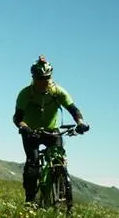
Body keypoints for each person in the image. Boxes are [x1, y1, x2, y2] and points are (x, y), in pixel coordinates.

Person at [13, 56, 89, 204]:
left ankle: (59, 193)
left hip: (52, 132)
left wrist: (80, 123)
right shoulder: (25, 94)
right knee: (33, 165)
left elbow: (73, 109)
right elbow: (17, 118)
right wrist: (24, 128)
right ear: (34, 78)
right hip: (31, 132)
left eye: (46, 78)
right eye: (40, 78)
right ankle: (30, 200)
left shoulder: (57, 92)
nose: (43, 82)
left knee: (59, 160)